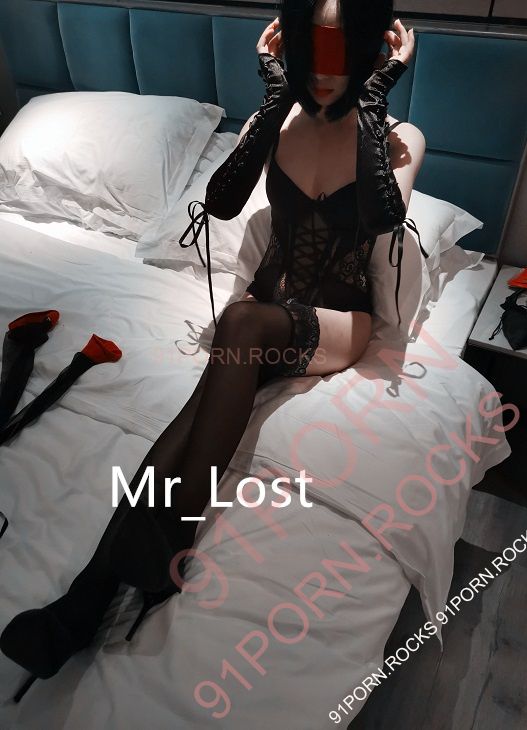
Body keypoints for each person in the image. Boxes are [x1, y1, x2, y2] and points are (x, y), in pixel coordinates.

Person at [0, 0, 425, 696]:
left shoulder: (401, 137)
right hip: (258, 315)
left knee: (242, 325)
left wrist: (376, 95)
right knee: (199, 405)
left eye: (341, 49)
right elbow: (223, 204)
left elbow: (383, 216)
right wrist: (273, 101)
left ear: (371, 51)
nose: (324, 68)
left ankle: (156, 548)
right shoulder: (276, 120)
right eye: (310, 46)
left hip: (336, 322)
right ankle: (88, 597)